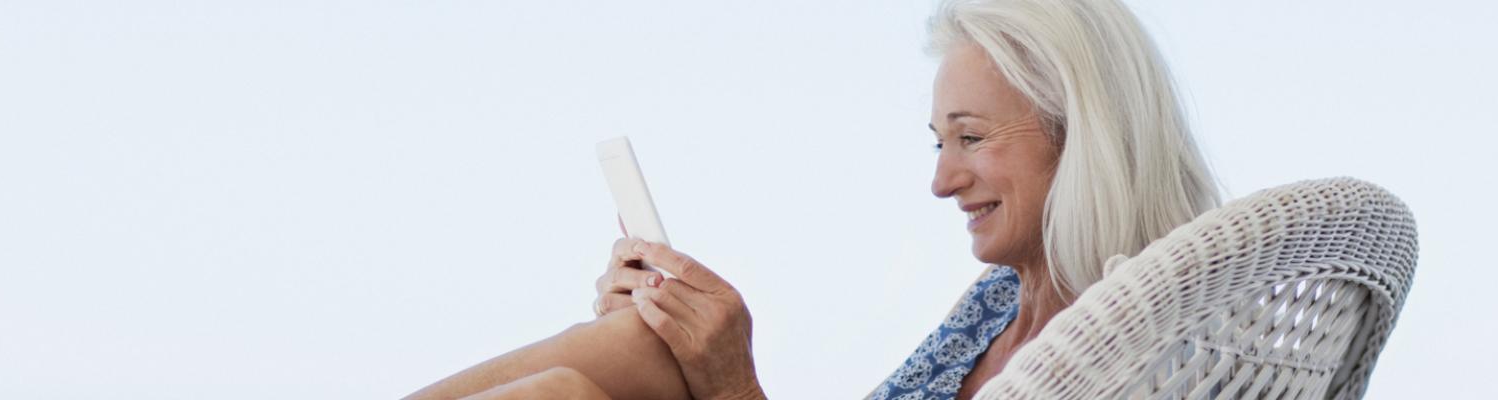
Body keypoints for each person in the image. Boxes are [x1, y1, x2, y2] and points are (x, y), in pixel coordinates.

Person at [408, 0, 1218, 398]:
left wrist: (733, 387)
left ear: (1082, 133)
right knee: (641, 341)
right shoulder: (998, 307)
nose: (942, 180)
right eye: (940, 143)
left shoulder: (1139, 346)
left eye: (970, 138)